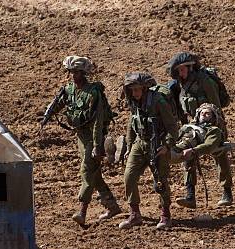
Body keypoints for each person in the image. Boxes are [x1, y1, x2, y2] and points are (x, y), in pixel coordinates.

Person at [45, 56, 121, 226]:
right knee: (93, 172)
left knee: (86, 172)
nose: (73, 75)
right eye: (71, 72)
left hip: (94, 137)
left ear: (84, 73)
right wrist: (49, 114)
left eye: (77, 72)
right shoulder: (69, 89)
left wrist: (96, 145)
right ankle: (111, 206)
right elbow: (61, 103)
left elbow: (97, 122)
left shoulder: (93, 93)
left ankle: (82, 211)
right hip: (80, 136)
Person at [167, 52, 233, 206]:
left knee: (220, 156)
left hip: (212, 124)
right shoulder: (180, 86)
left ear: (190, 68)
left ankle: (227, 192)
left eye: (182, 69)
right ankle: (190, 195)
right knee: (187, 155)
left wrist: (220, 131)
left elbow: (216, 107)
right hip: (194, 125)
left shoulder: (205, 82)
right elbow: (181, 110)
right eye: (178, 71)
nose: (180, 73)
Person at [119, 72, 179, 230]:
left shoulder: (158, 101)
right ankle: (134, 214)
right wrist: (129, 145)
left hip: (158, 145)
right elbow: (132, 123)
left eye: (137, 89)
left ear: (145, 89)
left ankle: (165, 215)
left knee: (160, 181)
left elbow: (173, 127)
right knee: (129, 177)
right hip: (140, 143)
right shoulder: (133, 102)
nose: (135, 93)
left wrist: (167, 145)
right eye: (132, 90)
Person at [172, 103, 227, 208]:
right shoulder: (188, 126)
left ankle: (226, 191)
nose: (203, 115)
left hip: (190, 147)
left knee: (222, 163)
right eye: (202, 113)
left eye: (207, 114)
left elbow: (209, 145)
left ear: (213, 117)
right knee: (187, 164)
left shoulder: (214, 130)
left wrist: (193, 151)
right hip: (177, 146)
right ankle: (190, 197)